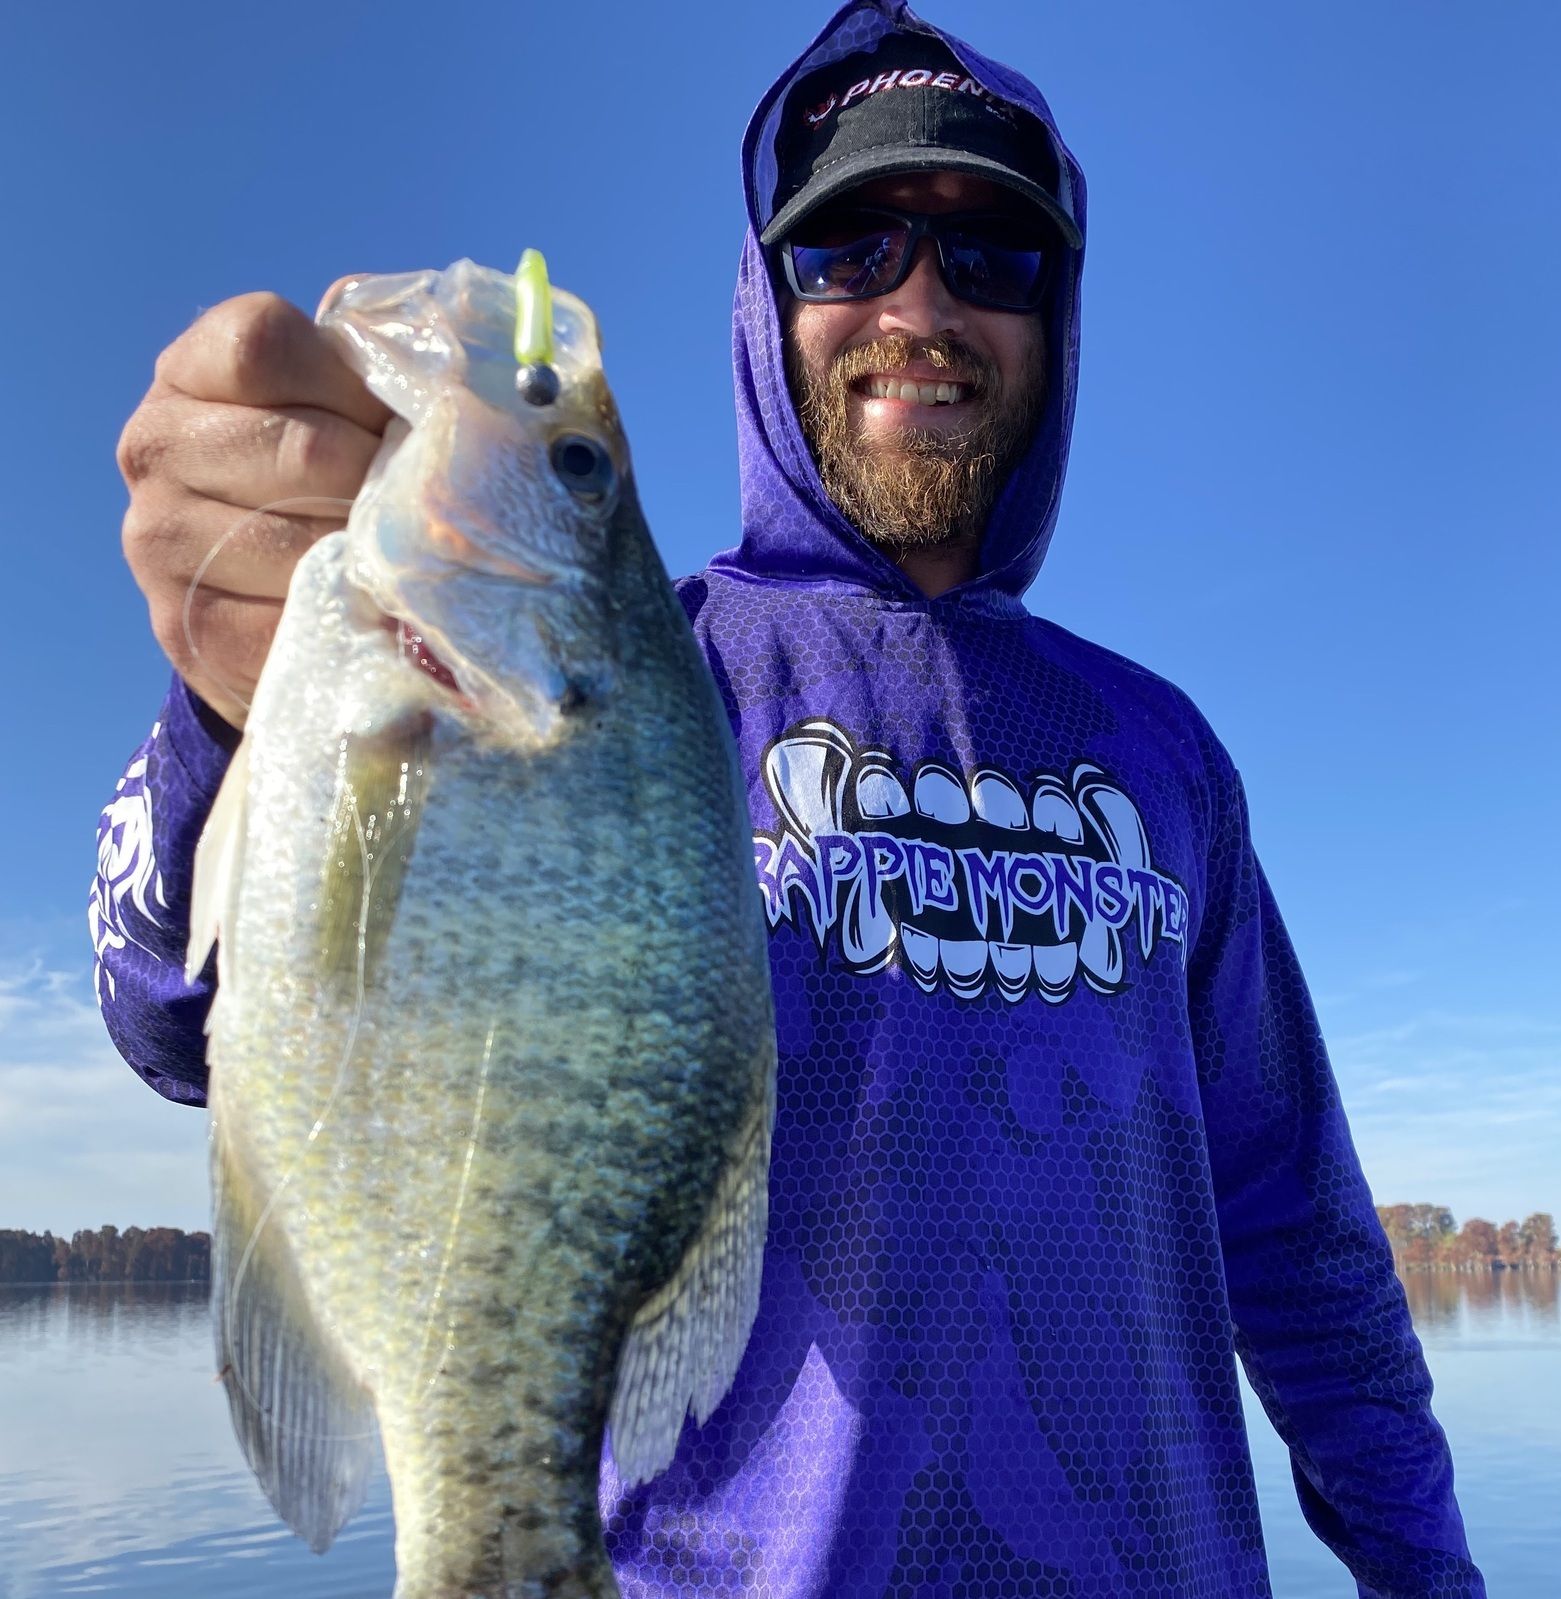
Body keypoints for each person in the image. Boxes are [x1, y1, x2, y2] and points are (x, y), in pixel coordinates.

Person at [91, 1, 1487, 1594]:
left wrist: (1429, 1569)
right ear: (766, 300)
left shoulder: (1166, 753)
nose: (920, 305)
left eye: (993, 258)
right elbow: (168, 1014)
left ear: (1061, 317)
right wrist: (234, 711)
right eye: (850, 252)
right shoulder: (645, 679)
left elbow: (1301, 1243)